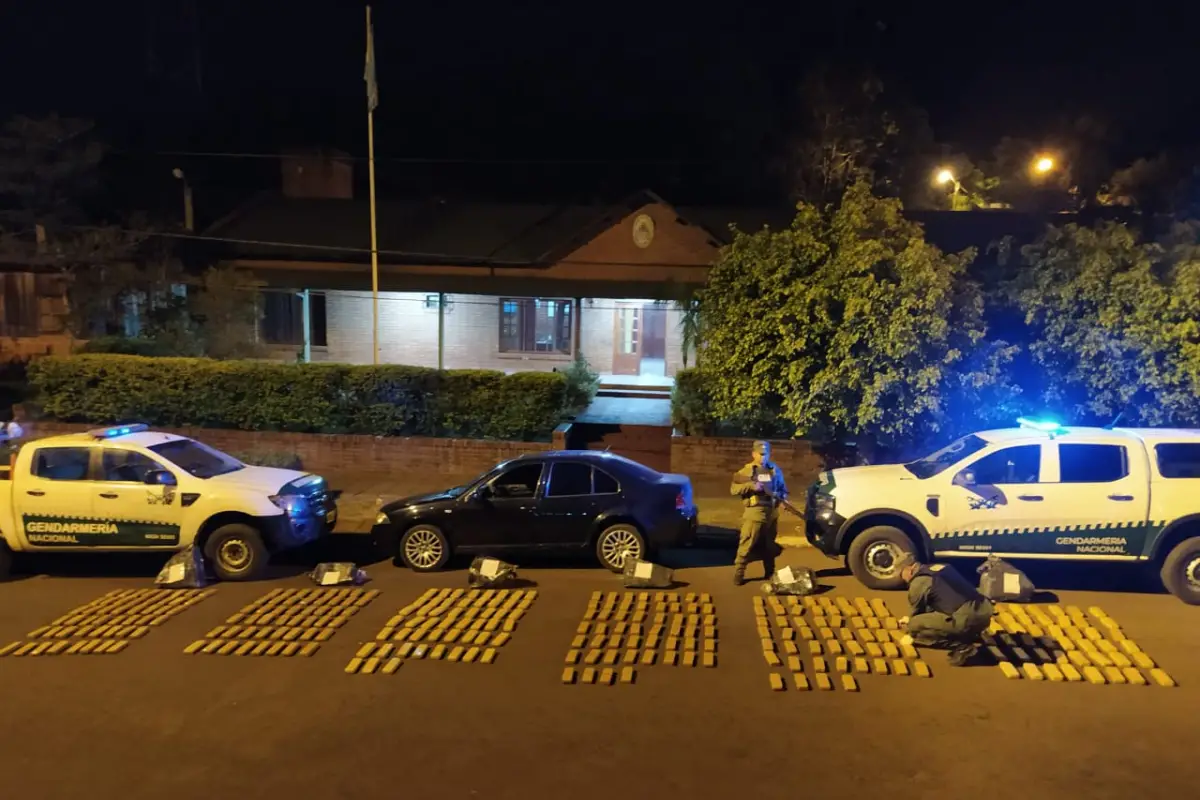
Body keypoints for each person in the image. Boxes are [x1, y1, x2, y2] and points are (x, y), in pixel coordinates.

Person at [897, 555, 994, 666]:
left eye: (901, 574)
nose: (902, 578)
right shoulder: (940, 567)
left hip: (966, 618)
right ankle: (971, 633)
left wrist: (910, 632)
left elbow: (917, 612)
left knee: (915, 626)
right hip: (983, 612)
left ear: (910, 569)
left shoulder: (918, 583)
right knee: (938, 615)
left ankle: (962, 646)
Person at [729, 440, 788, 586]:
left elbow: (782, 488)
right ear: (754, 454)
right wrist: (751, 485)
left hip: (771, 511)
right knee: (747, 543)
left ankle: (770, 572)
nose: (763, 457)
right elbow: (734, 489)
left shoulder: (774, 469)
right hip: (755, 511)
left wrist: (783, 499)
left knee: (769, 545)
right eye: (760, 454)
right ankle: (739, 572)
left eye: (766, 454)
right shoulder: (747, 470)